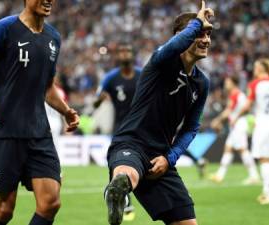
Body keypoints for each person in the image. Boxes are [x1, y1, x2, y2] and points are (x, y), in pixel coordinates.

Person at [0, 1, 80, 225]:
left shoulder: (53, 37)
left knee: (50, 203)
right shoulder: (4, 29)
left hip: (39, 133)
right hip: (6, 132)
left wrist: (66, 111)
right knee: (4, 211)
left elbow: (47, 86)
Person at [104, 1, 213, 224]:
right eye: (200, 33)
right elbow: (174, 47)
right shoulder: (161, 62)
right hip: (131, 143)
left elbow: (191, 128)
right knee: (126, 175)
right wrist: (196, 23)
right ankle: (117, 191)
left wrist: (169, 158)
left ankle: (120, 188)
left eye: (209, 34)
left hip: (160, 156)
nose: (206, 40)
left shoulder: (202, 83)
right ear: (182, 35)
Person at [94, 43, 142, 221]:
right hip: (120, 128)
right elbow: (95, 103)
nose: (124, 54)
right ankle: (123, 199)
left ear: (132, 54)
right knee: (117, 162)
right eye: (121, 51)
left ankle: (126, 194)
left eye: (127, 50)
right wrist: (101, 99)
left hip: (142, 127)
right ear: (117, 56)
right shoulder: (110, 78)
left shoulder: (142, 74)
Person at [231, 58, 269, 205]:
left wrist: (236, 117)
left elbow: (247, 105)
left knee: (264, 160)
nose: (254, 70)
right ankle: (268, 192)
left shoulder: (255, 84)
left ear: (261, 68)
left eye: (255, 67)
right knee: (267, 159)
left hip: (263, 122)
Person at [209, 76, 259, 185]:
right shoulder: (238, 94)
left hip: (239, 125)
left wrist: (217, 120)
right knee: (228, 148)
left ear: (233, 83)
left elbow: (228, 111)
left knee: (242, 149)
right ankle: (220, 175)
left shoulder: (235, 94)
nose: (226, 84)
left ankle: (254, 175)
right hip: (237, 124)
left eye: (227, 82)